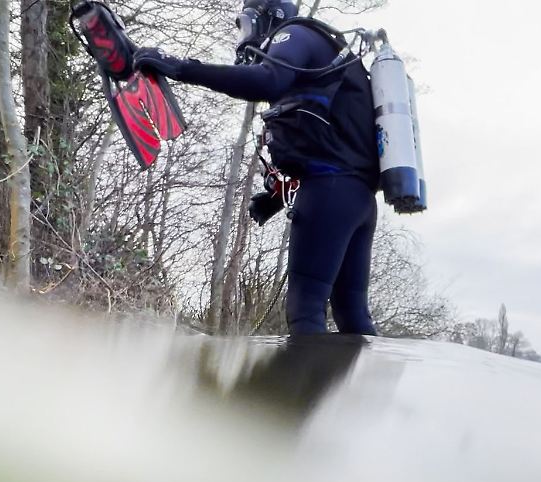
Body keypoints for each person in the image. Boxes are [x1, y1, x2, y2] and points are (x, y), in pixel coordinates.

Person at [134, 0, 380, 336]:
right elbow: (331, 140)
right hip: (359, 200)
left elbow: (267, 80)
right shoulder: (332, 56)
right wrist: (277, 198)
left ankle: (302, 374)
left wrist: (181, 67)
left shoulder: (295, 33)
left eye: (246, 25)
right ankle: (365, 374)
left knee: (305, 311)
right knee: (353, 314)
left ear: (268, 17)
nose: (245, 35)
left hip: (329, 191)